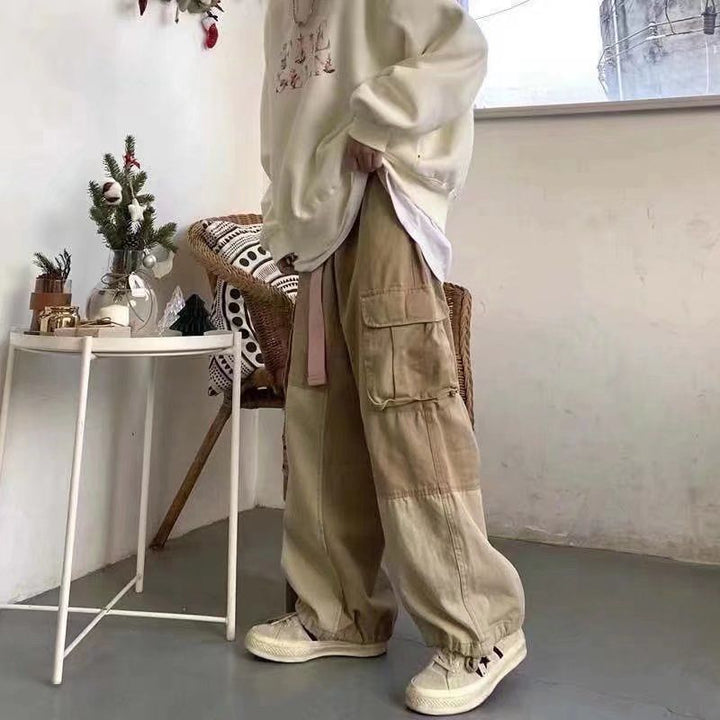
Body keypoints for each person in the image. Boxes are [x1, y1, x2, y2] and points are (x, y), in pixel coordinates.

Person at [245, 0, 526, 714]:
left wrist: (379, 120)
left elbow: (461, 51)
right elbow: (285, 119)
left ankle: (480, 630)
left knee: (409, 411)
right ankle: (339, 611)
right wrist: (286, 210)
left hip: (383, 200)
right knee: (319, 420)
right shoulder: (278, 10)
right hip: (318, 225)